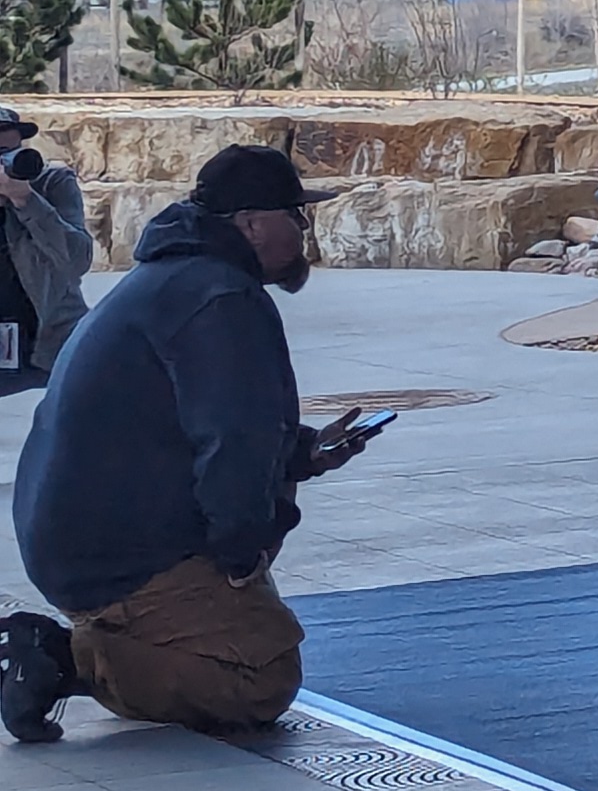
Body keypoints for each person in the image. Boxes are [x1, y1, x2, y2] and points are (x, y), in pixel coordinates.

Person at [1, 146, 382, 743]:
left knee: (252, 616)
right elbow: (232, 445)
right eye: (295, 214)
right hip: (118, 555)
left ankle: (108, 636)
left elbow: (196, 422)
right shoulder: (221, 298)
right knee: (259, 676)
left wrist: (301, 453)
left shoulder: (174, 278)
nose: (304, 229)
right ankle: (61, 658)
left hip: (75, 537)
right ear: (251, 224)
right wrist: (239, 557)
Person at [0, 104, 97, 393]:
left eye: (9, 152)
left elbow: (78, 260)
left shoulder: (51, 183)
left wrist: (26, 201)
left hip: (50, 344)